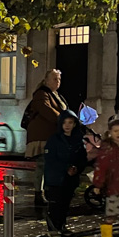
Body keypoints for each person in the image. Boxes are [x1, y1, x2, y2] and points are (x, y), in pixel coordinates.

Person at [23, 69, 69, 206]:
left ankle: (48, 191)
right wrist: (64, 120)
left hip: (52, 135)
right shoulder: (41, 94)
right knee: (43, 165)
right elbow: (47, 110)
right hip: (42, 136)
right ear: (46, 80)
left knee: (51, 164)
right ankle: (40, 193)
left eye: (59, 79)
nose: (58, 81)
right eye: (55, 79)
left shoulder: (55, 95)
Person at [42, 110, 87, 237]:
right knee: (55, 204)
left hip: (70, 179)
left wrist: (76, 168)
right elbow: (51, 159)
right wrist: (66, 167)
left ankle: (61, 226)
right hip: (55, 178)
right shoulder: (54, 140)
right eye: (65, 123)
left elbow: (82, 158)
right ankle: (53, 228)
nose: (67, 125)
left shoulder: (78, 140)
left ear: (74, 124)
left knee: (65, 204)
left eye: (70, 122)